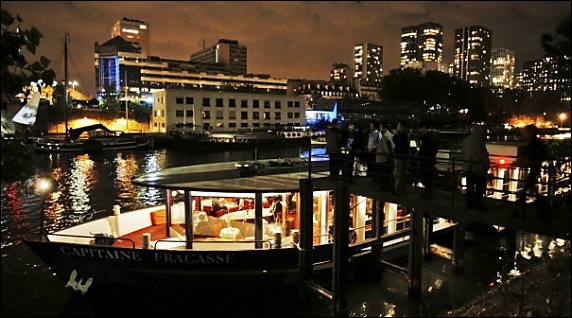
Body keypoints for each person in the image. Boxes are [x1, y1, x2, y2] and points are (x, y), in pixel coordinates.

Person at [515, 124, 549, 218]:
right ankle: (541, 208)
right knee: (531, 189)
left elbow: (531, 156)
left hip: (534, 168)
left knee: (527, 189)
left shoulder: (533, 144)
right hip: (535, 168)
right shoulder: (537, 143)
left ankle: (522, 208)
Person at [462, 124, 490, 211]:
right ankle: (478, 205)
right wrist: (486, 164)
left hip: (468, 167)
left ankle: (469, 205)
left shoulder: (466, 140)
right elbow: (482, 153)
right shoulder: (479, 140)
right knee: (480, 188)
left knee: (470, 187)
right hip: (478, 167)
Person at [416, 122, 439, 200]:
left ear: (424, 127)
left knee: (424, 176)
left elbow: (423, 150)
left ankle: (427, 194)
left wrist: (417, 157)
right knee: (428, 176)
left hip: (426, 160)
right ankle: (428, 193)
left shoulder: (427, 138)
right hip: (431, 159)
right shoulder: (434, 136)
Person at [392, 121, 410, 195]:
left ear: (402, 127)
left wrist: (396, 134)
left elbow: (396, 141)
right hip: (401, 157)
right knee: (400, 174)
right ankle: (400, 190)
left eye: (398, 126)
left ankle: (398, 190)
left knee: (399, 174)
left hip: (400, 157)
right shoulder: (404, 135)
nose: (397, 127)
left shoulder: (403, 135)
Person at [375, 122, 394, 191]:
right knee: (386, 174)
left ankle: (383, 187)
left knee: (383, 174)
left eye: (381, 127)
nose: (380, 129)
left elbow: (386, 149)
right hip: (386, 158)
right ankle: (386, 186)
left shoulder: (385, 136)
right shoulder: (390, 135)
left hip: (383, 158)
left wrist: (389, 155)